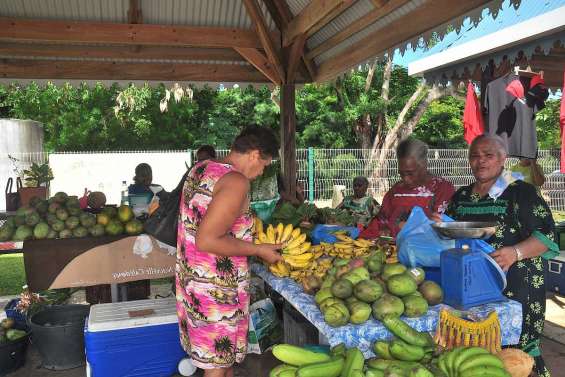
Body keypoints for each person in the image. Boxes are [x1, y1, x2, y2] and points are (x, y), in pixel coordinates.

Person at [444, 134, 558, 377]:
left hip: (517, 286)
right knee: (474, 354)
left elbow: (546, 235)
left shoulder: (521, 192)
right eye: (475, 156)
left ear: (503, 158)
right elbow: (449, 231)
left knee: (515, 356)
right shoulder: (461, 197)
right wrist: (437, 223)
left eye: (488, 155)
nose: (481, 161)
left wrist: (515, 252)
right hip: (469, 288)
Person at [176, 126, 282, 377]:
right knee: (217, 367)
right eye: (265, 163)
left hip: (194, 282)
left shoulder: (200, 169)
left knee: (220, 365)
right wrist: (258, 249)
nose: (263, 170)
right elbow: (208, 239)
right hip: (215, 289)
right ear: (255, 154)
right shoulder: (236, 180)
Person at [360, 138, 455, 238]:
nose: (405, 179)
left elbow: (440, 228)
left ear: (424, 165)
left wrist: (400, 228)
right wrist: (385, 229)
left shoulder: (442, 189)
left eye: (410, 173)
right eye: (401, 173)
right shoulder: (396, 190)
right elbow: (381, 220)